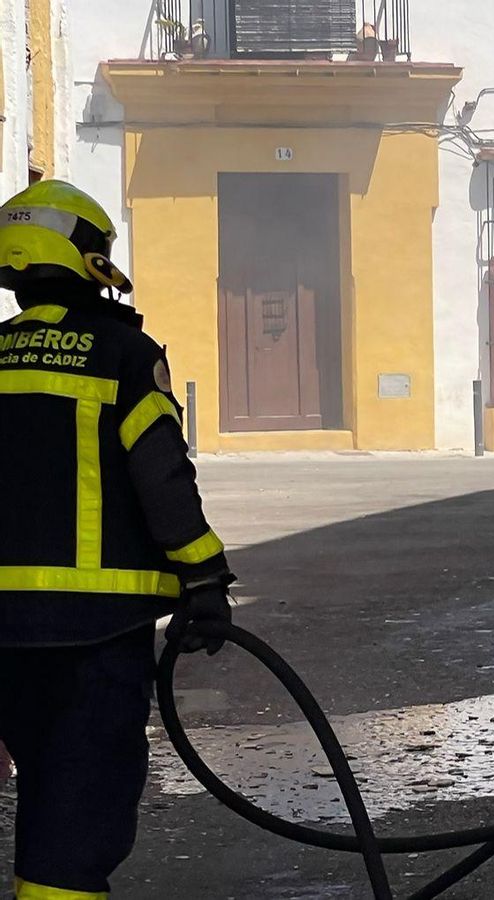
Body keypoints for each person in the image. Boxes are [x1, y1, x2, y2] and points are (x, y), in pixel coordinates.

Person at [0, 180, 235, 900]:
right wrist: (205, 579)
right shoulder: (121, 354)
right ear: (89, 260)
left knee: (35, 773)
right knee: (79, 804)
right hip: (95, 631)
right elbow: (160, 474)